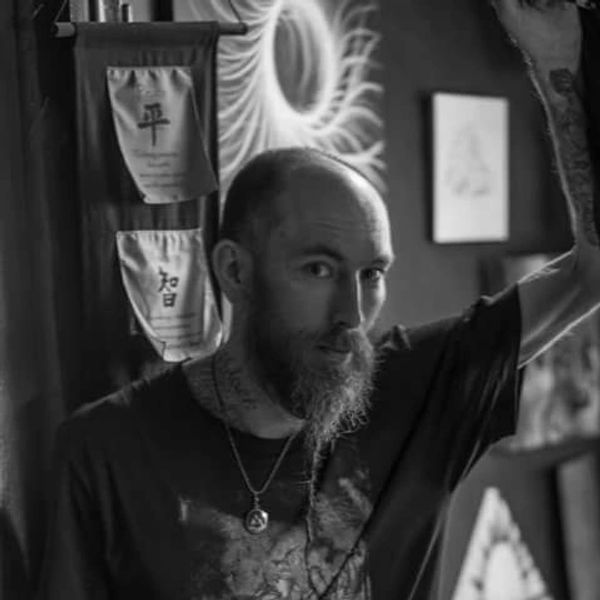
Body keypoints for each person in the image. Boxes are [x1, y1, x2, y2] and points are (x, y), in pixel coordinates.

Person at [37, 1, 600, 599]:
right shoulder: (107, 450)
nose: (352, 315)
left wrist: (555, 59)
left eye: (372, 274)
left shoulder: (417, 395)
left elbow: (591, 274)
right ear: (234, 270)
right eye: (318, 268)